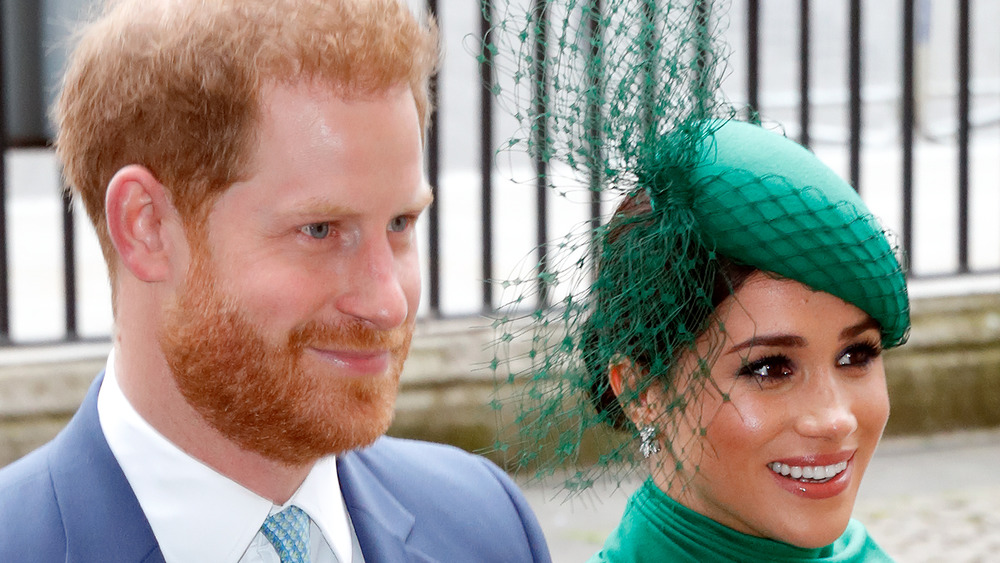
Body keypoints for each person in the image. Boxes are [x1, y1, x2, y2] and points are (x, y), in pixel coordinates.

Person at [0, 1, 551, 562]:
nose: (387, 302)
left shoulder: (487, 527)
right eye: (320, 230)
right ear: (146, 227)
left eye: (400, 223)